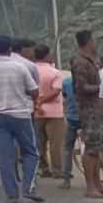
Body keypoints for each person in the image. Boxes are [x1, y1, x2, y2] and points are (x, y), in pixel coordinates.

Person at [0, 35, 44, 203]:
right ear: (10, 49)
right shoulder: (19, 67)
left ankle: (12, 194)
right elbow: (34, 91)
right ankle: (28, 188)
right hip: (21, 115)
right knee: (31, 153)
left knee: (4, 156)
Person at [71, 29, 103, 198]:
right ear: (88, 42)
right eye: (93, 40)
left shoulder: (90, 61)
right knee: (91, 150)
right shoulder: (81, 62)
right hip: (89, 110)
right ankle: (90, 187)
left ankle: (98, 183)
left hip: (96, 109)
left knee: (97, 147)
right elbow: (80, 88)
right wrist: (102, 89)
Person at [33, 44, 67, 180]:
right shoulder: (55, 72)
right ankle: (57, 170)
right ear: (47, 55)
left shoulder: (31, 70)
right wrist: (43, 101)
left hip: (36, 111)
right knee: (55, 143)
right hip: (54, 112)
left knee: (40, 142)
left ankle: (44, 168)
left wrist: (37, 102)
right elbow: (56, 91)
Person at [60, 72, 80, 189]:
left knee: (67, 148)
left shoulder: (67, 81)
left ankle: (66, 179)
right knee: (91, 149)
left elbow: (65, 96)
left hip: (71, 117)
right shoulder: (91, 81)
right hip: (87, 118)